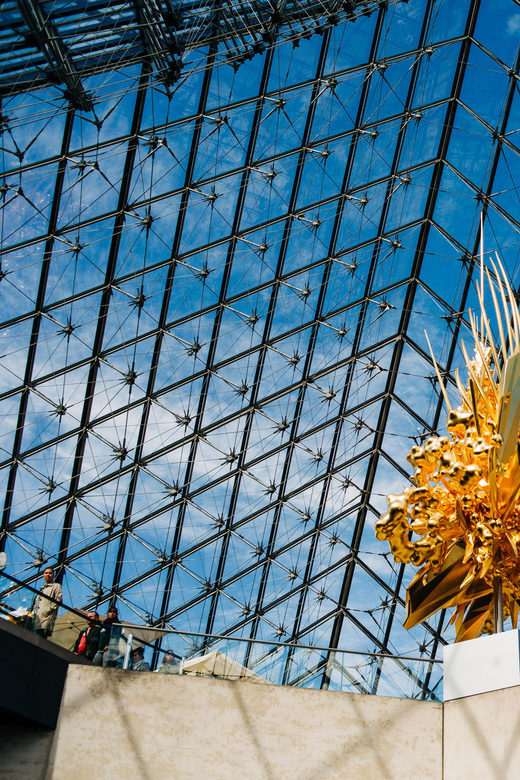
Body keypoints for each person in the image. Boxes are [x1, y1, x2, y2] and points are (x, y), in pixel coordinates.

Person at [33, 566, 62, 637]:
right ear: (43, 576)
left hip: (45, 618)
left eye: (50, 573)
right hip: (35, 618)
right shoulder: (42, 588)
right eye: (46, 573)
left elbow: (59, 599)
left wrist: (50, 608)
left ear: (53, 576)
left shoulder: (56, 586)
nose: (48, 574)